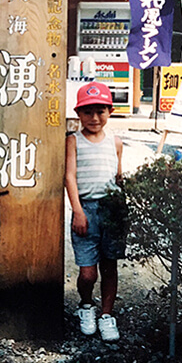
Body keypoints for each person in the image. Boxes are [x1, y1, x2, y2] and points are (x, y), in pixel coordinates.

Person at [65, 81, 124, 342]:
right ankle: (86, 305)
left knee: (109, 266)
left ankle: (107, 314)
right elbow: (69, 177)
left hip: (111, 211)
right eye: (88, 112)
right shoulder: (73, 141)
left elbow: (119, 177)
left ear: (110, 111)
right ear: (78, 114)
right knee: (88, 272)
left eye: (100, 111)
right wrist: (77, 210)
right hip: (85, 210)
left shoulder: (116, 141)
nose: (94, 118)